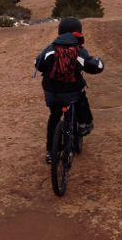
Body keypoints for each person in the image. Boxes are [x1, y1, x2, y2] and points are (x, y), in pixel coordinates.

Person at [35, 17, 104, 164]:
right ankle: (85, 124)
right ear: (78, 32)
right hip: (72, 93)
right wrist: (100, 62)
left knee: (54, 116)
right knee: (81, 97)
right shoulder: (79, 50)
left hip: (52, 93)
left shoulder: (51, 48)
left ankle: (50, 152)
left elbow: (39, 65)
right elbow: (95, 67)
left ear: (60, 31)